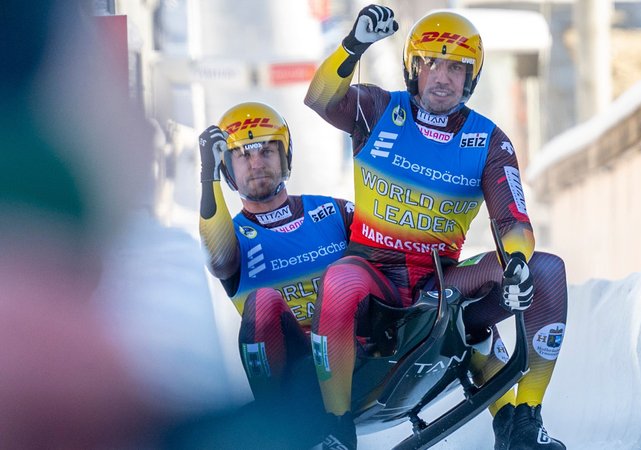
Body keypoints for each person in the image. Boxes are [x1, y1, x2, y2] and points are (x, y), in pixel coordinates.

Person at [304, 5, 568, 450]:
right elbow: (322, 98)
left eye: (455, 67)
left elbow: (511, 220)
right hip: (375, 275)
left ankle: (524, 422)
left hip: (441, 280)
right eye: (431, 63)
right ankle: (336, 429)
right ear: (413, 69)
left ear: (471, 78)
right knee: (340, 281)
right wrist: (353, 45)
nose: (442, 77)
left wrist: (518, 262)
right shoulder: (377, 108)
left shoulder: (488, 141)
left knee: (547, 272)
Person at [197, 101, 354, 410]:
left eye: (266, 151)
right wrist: (207, 177)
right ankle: (281, 428)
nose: (256, 164)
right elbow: (216, 259)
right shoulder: (232, 236)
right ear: (227, 169)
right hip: (294, 374)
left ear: (285, 157)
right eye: (243, 155)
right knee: (263, 301)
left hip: (357, 353)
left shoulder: (333, 211)